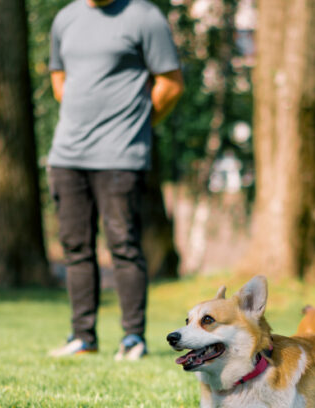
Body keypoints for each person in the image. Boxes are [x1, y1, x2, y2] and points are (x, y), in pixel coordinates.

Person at [47, 0, 184, 360]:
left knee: (123, 245)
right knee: (75, 247)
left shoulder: (143, 17)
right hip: (67, 155)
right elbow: (58, 80)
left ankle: (133, 338)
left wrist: (137, 123)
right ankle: (83, 337)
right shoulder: (67, 18)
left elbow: (170, 84)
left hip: (121, 155)